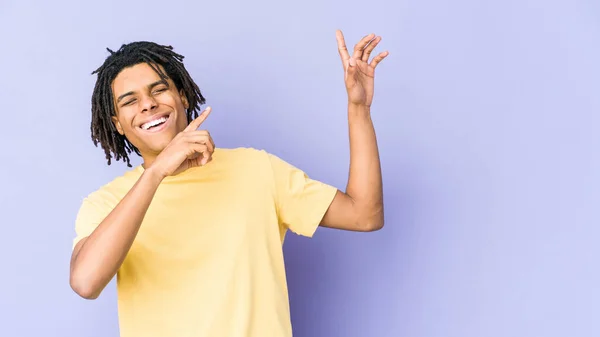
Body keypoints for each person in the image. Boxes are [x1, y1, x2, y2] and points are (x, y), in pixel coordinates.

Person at [69, 30, 388, 337]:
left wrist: (358, 109)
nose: (148, 104)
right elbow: (85, 282)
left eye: (158, 89)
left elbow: (365, 215)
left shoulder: (256, 169)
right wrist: (155, 173)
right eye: (129, 101)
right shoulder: (105, 203)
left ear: (181, 95)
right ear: (117, 124)